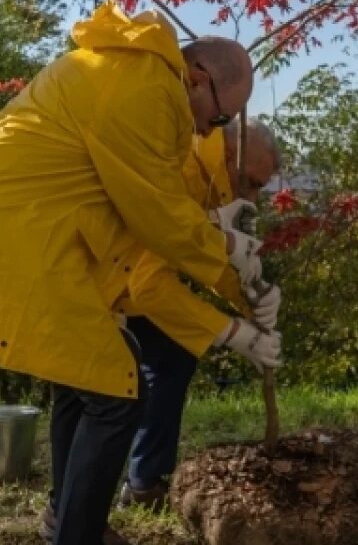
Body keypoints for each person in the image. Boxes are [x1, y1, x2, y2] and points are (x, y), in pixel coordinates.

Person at [0, 1, 270, 545]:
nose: (210, 131)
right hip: (14, 232)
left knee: (89, 380)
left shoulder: (135, 79)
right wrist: (230, 262)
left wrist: (235, 284)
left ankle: (81, 536)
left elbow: (138, 230)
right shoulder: (146, 88)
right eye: (219, 117)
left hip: (17, 227)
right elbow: (157, 217)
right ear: (199, 77)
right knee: (116, 394)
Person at [118, 120, 283, 510]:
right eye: (251, 183)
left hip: (127, 284)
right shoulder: (183, 172)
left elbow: (205, 257)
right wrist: (235, 333)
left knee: (172, 357)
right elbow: (148, 284)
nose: (253, 197)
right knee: (105, 393)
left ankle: (142, 482)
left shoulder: (216, 181)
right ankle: (103, 499)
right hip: (102, 284)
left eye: (260, 187)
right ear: (229, 154)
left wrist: (251, 300)